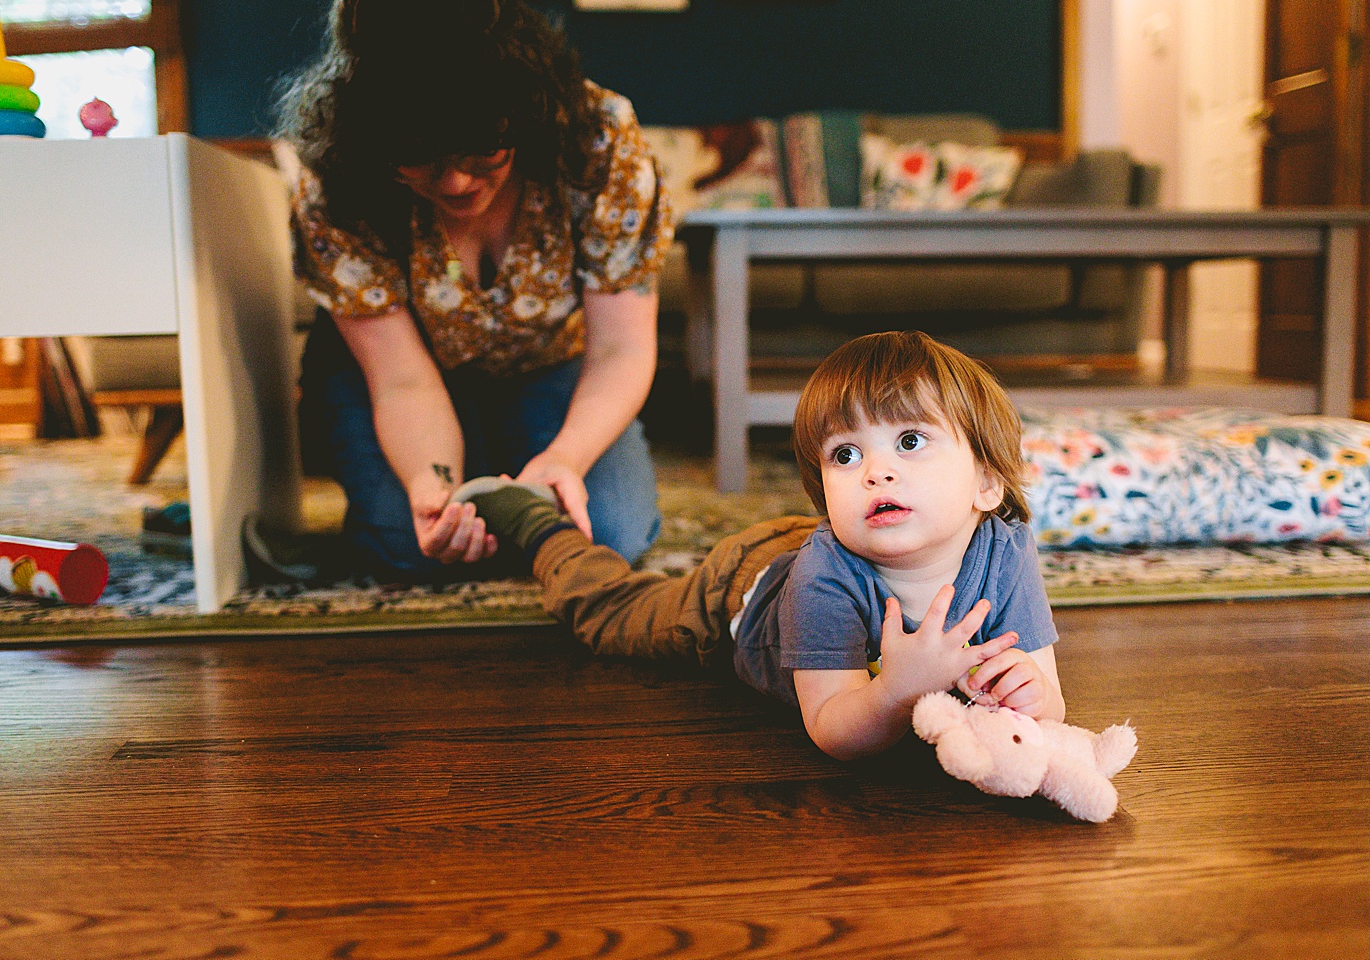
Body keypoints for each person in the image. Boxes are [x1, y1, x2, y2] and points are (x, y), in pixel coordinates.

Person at [456, 331, 1064, 761]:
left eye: (909, 441)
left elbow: (1050, 704)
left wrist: (1027, 695)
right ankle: (539, 526)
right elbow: (832, 729)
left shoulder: (1005, 551)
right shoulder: (827, 577)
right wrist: (898, 690)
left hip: (807, 548)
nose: (874, 472)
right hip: (740, 590)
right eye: (845, 455)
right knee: (616, 616)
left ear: (988, 482)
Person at [275, 0, 674, 582]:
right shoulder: (337, 178)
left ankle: (501, 467)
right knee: (411, 546)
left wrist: (565, 457)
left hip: (548, 363)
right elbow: (402, 380)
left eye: (482, 148)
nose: (456, 182)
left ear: (523, 108)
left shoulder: (599, 139)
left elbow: (622, 349)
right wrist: (430, 484)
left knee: (607, 532)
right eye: (415, 157)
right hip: (398, 376)